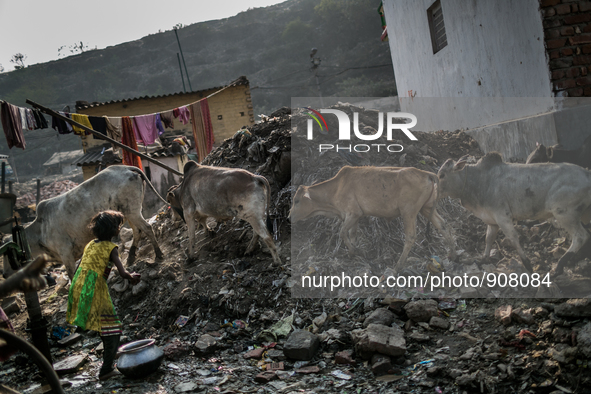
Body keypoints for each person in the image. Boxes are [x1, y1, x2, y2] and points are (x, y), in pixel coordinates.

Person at [66, 211, 140, 381]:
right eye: (119, 225)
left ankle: (107, 352)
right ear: (114, 230)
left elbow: (81, 267)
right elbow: (123, 273)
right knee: (113, 329)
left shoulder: (91, 244)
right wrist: (133, 277)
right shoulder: (111, 248)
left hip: (79, 285)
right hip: (95, 289)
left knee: (104, 327)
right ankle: (106, 370)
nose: (120, 228)